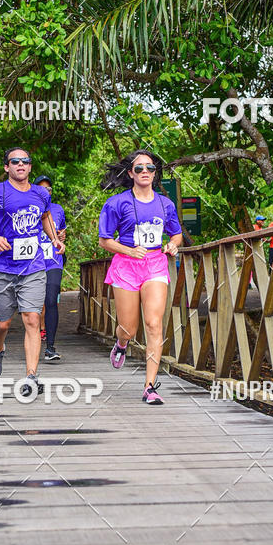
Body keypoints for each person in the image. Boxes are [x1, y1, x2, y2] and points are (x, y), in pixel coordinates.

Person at [0, 147, 65, 397]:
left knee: (32, 319)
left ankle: (31, 376)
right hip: (2, 268)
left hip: (33, 266)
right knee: (4, 322)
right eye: (15, 161)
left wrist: (54, 239)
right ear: (6, 167)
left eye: (25, 161)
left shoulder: (40, 193)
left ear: (30, 167)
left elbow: (45, 218)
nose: (21, 165)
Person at [98, 149, 183, 405]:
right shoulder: (117, 203)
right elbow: (105, 241)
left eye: (150, 168)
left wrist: (173, 245)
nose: (145, 171)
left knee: (154, 324)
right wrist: (129, 250)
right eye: (139, 168)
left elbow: (176, 233)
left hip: (155, 264)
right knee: (128, 328)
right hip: (126, 266)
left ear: (155, 174)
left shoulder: (165, 204)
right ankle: (122, 344)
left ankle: (150, 387)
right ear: (130, 173)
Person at [32, 174, 66, 363]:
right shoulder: (28, 208)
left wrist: (61, 238)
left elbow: (62, 232)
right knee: (33, 307)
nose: (46, 192)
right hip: (32, 262)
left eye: (49, 189)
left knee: (51, 300)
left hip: (53, 261)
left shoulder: (58, 209)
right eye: (42, 189)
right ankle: (33, 343)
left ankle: (50, 347)